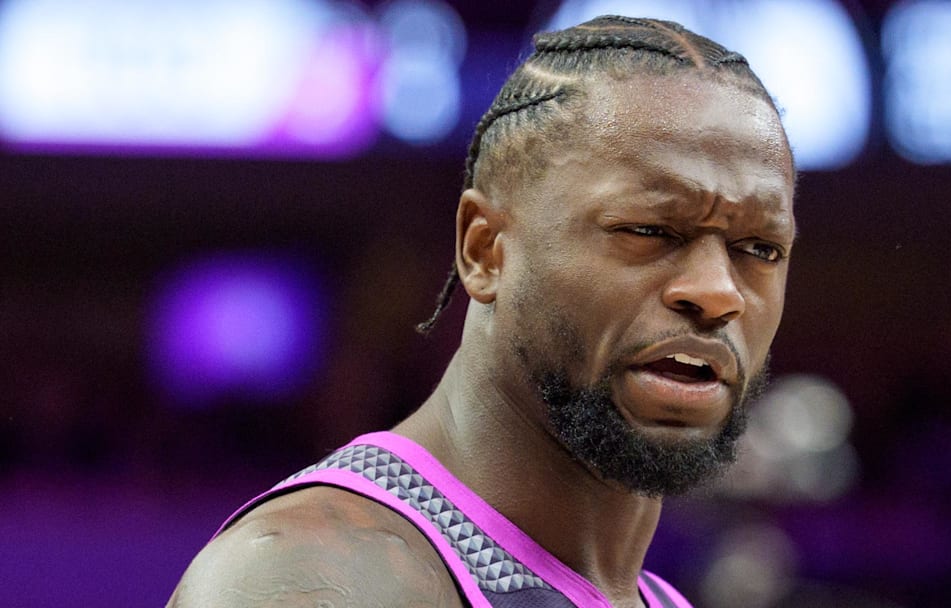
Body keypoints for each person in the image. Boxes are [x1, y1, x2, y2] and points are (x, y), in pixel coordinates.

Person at [167, 14, 795, 608]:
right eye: (650, 230)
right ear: (485, 250)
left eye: (760, 248)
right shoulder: (324, 575)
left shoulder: (658, 597)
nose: (719, 291)